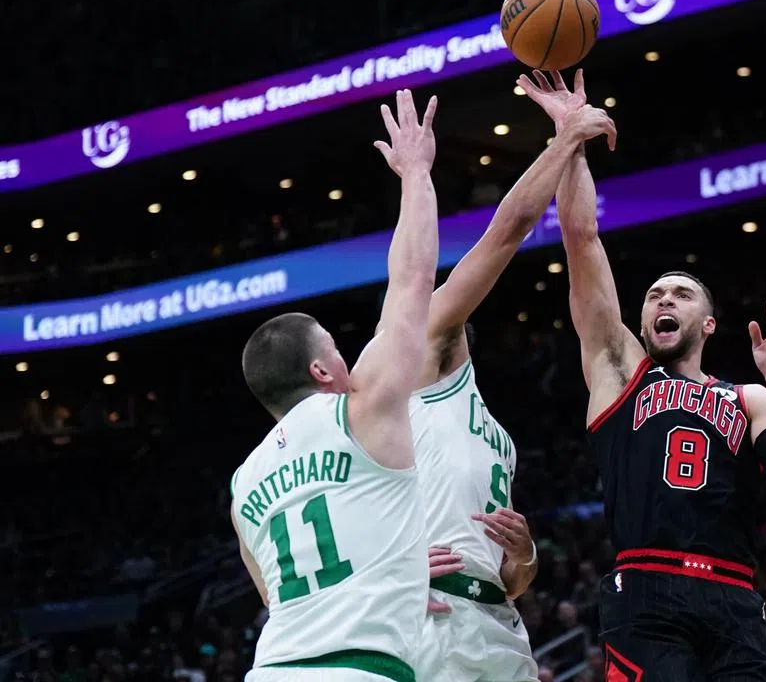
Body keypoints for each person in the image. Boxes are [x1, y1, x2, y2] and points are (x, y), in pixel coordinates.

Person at [533, 70, 766, 679]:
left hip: (734, 596)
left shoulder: (747, 397)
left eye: (681, 294)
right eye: (655, 295)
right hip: (646, 591)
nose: (664, 300)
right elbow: (582, 238)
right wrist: (571, 141)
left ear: (709, 323)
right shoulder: (620, 373)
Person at [411, 70, 616, 682]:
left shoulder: (493, 434)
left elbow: (512, 579)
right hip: (430, 622)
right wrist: (564, 139)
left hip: (498, 627)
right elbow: (506, 233)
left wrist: (523, 556)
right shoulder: (415, 358)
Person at [230, 90, 440, 681]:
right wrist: (416, 174)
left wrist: (393, 572)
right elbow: (413, 281)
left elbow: (278, 596)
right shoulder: (361, 409)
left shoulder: (243, 485)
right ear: (321, 372)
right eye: (338, 351)